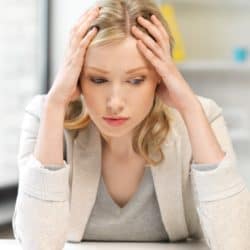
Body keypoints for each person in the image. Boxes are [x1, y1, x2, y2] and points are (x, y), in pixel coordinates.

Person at [12, 0, 250, 249]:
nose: (115, 102)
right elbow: (37, 244)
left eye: (136, 80)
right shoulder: (46, 115)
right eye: (98, 79)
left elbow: (235, 242)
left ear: (160, 76)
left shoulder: (202, 116)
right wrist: (55, 106)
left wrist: (190, 108)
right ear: (77, 75)